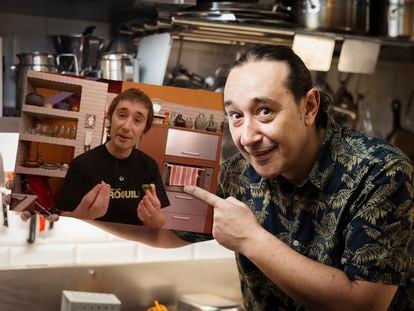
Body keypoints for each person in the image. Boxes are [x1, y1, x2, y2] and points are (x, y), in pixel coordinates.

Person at [18, 46, 413, 310]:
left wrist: (251, 239)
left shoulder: (381, 173)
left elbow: (366, 303)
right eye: (236, 115)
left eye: (264, 112)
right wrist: (68, 209)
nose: (246, 135)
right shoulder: (240, 173)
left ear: (309, 106)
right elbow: (164, 232)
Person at [55, 87, 169, 228]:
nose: (127, 127)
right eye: (122, 115)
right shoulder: (82, 164)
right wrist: (84, 214)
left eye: (137, 120)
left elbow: (157, 225)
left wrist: (152, 216)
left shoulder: (149, 166)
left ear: (144, 130)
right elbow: (64, 221)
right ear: (110, 118)